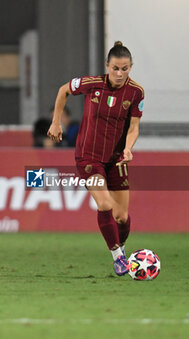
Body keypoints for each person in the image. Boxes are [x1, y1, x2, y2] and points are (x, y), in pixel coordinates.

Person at [47, 41, 144, 276]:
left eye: (125, 68)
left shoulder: (136, 92)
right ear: (107, 66)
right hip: (88, 156)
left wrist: (129, 148)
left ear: (131, 67)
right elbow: (64, 90)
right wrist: (56, 122)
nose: (120, 74)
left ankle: (121, 250)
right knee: (105, 204)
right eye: (115, 68)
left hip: (116, 159)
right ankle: (119, 259)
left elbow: (133, 128)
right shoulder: (92, 84)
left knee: (121, 217)